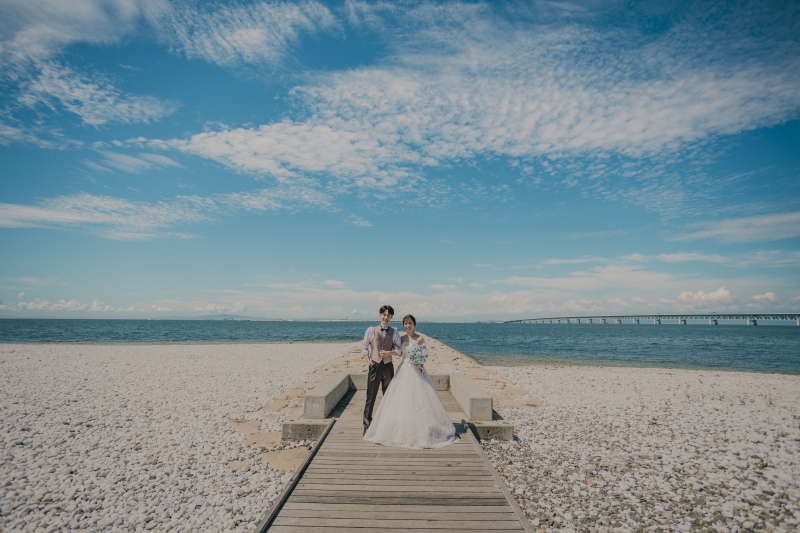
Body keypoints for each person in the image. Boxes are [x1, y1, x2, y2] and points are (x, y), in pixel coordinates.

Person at [364, 314, 458, 449]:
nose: (407, 326)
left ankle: (422, 427)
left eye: (410, 323)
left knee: (421, 399)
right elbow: (399, 353)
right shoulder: (401, 338)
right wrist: (387, 353)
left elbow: (424, 354)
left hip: (417, 370)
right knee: (402, 399)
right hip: (404, 369)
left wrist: (420, 362)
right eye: (405, 323)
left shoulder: (419, 339)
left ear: (414, 324)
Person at [362, 305, 402, 435]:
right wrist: (368, 362)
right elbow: (364, 347)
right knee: (371, 396)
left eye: (389, 315)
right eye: (384, 315)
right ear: (380, 315)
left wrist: (389, 353)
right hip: (375, 365)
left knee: (389, 396)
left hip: (388, 366)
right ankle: (367, 424)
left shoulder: (394, 332)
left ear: (391, 317)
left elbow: (399, 350)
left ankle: (388, 423)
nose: (386, 317)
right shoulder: (371, 330)